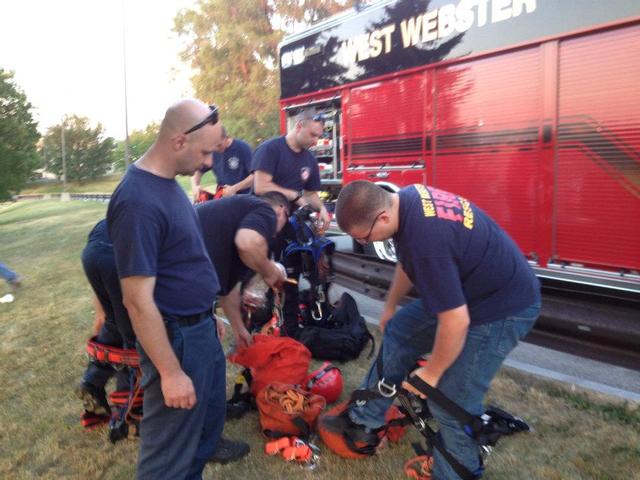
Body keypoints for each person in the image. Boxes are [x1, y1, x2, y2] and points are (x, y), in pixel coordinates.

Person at [329, 181, 541, 479]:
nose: (364, 242)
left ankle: (456, 472)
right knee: (402, 329)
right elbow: (407, 261)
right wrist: (390, 306)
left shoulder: (426, 241)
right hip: (470, 293)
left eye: (364, 237)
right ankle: (366, 419)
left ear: (383, 218)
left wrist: (431, 375)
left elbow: (456, 322)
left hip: (502, 309)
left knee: (452, 401)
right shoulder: (407, 199)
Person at [107, 99, 246, 480]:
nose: (207, 164)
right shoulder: (138, 200)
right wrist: (170, 372)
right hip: (175, 339)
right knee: (168, 453)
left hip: (197, 329)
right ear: (179, 141)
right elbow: (136, 301)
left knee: (201, 434)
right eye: (204, 153)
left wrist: (208, 313)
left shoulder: (168, 185)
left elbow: (183, 261)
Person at [252, 109, 332, 335]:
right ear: (298, 126)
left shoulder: (309, 159)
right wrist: (293, 196)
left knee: (291, 275)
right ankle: (259, 318)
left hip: (291, 226)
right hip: (265, 222)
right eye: (312, 135)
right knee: (266, 274)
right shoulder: (271, 149)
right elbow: (260, 186)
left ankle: (289, 329)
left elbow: (311, 194)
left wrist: (322, 209)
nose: (315, 141)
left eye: (318, 136)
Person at [195, 191, 290, 349]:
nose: (276, 233)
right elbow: (247, 244)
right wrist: (270, 271)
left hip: (169, 294)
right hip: (176, 305)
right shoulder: (265, 210)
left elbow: (228, 293)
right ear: (281, 210)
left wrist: (239, 329)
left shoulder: (234, 223)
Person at [76, 219, 136, 418]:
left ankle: (92, 382)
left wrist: (102, 313)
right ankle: (128, 407)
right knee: (133, 334)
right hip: (114, 257)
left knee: (115, 321)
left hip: (91, 253)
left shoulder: (124, 214)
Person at [190, 126, 253, 201]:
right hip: (222, 197)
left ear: (226, 137)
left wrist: (234, 188)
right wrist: (195, 186)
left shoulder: (242, 148)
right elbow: (198, 170)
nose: (217, 148)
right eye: (214, 146)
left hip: (245, 197)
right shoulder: (211, 151)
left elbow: (254, 176)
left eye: (219, 145)